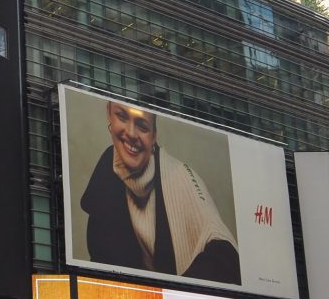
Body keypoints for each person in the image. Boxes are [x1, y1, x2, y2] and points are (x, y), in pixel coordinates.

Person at [80, 101, 241, 283]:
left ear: (154, 135)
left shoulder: (179, 177)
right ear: (109, 114)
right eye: (122, 117)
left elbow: (226, 258)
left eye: (142, 126)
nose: (131, 133)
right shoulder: (106, 172)